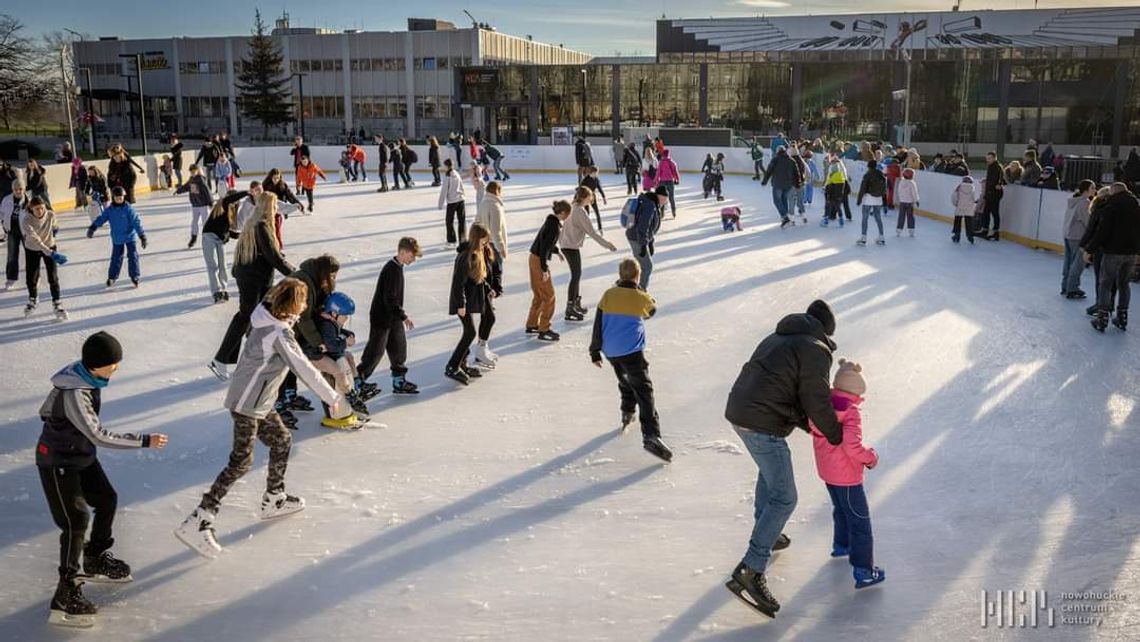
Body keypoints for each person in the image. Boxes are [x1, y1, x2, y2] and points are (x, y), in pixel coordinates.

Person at [176, 278, 354, 559]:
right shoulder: (278, 334)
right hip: (248, 404)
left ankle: (274, 498)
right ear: (293, 304)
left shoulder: (266, 317)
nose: (306, 305)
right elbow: (304, 368)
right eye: (303, 301)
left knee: (282, 440)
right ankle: (199, 519)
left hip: (259, 401)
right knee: (241, 462)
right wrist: (333, 398)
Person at [35, 331, 168, 628]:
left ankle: (94, 558)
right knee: (75, 522)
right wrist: (144, 441)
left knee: (107, 499)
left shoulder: (87, 377)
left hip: (79, 456)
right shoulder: (75, 392)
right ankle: (65, 594)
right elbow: (97, 434)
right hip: (57, 461)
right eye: (113, 364)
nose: (116, 369)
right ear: (97, 365)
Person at [723, 300, 843, 619]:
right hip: (763, 423)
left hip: (740, 412)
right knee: (785, 497)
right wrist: (835, 433)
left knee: (770, 475)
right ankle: (751, 568)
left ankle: (770, 534)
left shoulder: (778, 337)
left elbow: (788, 390)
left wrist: (812, 426)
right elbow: (814, 398)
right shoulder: (816, 349)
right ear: (826, 330)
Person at [808, 359, 885, 589]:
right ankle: (864, 571)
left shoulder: (821, 407)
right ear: (856, 392)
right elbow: (852, 446)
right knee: (860, 522)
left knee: (841, 509)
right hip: (847, 477)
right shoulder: (850, 412)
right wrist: (870, 458)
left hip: (828, 473)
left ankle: (841, 544)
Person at [589, 258, 671, 461]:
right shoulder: (639, 296)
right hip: (631, 352)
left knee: (625, 379)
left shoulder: (608, 294)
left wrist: (594, 350)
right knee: (644, 390)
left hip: (610, 351)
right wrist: (640, 290)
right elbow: (652, 310)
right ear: (638, 275)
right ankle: (651, 435)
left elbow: (598, 323)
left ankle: (627, 411)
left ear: (619, 275)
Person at [209, 193, 296, 383]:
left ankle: (247, 359)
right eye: (275, 206)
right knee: (246, 316)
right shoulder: (262, 226)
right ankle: (221, 359)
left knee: (260, 318)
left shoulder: (254, 222)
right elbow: (273, 257)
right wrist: (296, 275)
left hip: (253, 276)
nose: (276, 209)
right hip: (253, 278)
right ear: (268, 206)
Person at [359, 237, 422, 396]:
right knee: (375, 352)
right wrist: (403, 316)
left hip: (393, 317)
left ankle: (398, 380)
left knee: (399, 349)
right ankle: (358, 381)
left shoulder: (398, 267)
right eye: (412, 256)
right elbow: (390, 298)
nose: (413, 260)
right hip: (382, 317)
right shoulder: (391, 269)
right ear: (403, 252)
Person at [446, 224, 501, 383]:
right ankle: (452, 365)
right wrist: (461, 304)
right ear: (478, 238)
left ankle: (462, 364)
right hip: (461, 301)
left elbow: (479, 278)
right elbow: (458, 283)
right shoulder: (467, 256)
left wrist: (489, 289)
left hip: (468, 299)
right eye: (484, 240)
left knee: (470, 332)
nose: (486, 243)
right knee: (469, 332)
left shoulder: (476, 253)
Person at [1086, 183, 1140, 332]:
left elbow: (1102, 231)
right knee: (1124, 284)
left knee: (1105, 284)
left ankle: (1102, 318)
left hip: (1113, 252)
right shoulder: (1137, 207)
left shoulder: (1111, 207)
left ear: (1114, 193)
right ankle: (1122, 317)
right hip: (1131, 254)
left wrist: (1090, 249)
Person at [562, 186, 618, 322]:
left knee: (577, 274)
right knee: (575, 275)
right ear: (585, 197)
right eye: (591, 196)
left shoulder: (573, 207)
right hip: (570, 246)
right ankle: (570, 308)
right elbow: (592, 233)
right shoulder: (580, 212)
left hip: (567, 244)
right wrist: (607, 245)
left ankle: (575, 303)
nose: (592, 199)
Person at [527, 201, 571, 341]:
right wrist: (544, 268)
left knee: (539, 294)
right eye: (568, 214)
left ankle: (532, 323)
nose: (568, 217)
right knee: (549, 296)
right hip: (539, 260)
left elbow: (545, 242)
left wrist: (557, 251)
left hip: (533, 258)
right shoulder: (554, 227)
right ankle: (544, 328)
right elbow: (545, 247)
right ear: (563, 213)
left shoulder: (550, 222)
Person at [86, 187, 147, 289]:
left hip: (130, 236)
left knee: (133, 256)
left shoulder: (128, 209)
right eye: (117, 198)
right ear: (113, 198)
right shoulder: (109, 210)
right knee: (116, 258)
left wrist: (142, 235)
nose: (119, 199)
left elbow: (136, 222)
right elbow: (101, 219)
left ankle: (134, 276)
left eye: (121, 198)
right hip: (117, 237)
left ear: (124, 197)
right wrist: (93, 227)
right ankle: (112, 277)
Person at [20, 196, 68, 319]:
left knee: (53, 276)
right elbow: (36, 240)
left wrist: (55, 229)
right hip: (33, 248)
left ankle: (57, 302)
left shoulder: (50, 215)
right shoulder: (26, 220)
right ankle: (33, 299)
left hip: (50, 245)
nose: (40, 211)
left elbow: (55, 224)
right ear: (31, 208)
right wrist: (50, 253)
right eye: (37, 209)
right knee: (31, 276)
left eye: (42, 208)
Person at [626, 186, 667, 290]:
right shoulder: (650, 205)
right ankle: (640, 292)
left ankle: (631, 287)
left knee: (641, 266)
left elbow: (650, 227)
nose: (666, 201)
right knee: (647, 267)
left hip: (638, 237)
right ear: (659, 196)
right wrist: (644, 244)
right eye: (665, 198)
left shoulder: (652, 203)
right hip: (636, 238)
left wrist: (650, 242)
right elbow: (643, 226)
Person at [1062, 180, 1095, 299]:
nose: (1094, 190)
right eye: (1092, 188)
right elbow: (1087, 221)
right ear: (1085, 190)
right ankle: (1072, 288)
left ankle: (1065, 286)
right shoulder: (1084, 202)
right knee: (1078, 264)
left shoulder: (1073, 200)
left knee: (1068, 262)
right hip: (1077, 236)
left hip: (1068, 234)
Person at [175, 164, 214, 249]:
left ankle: (208, 239)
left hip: (203, 205)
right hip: (195, 205)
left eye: (194, 171)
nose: (192, 173)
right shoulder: (191, 179)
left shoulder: (200, 179)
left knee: (205, 223)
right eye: (191, 171)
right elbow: (186, 187)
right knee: (194, 222)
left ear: (197, 170)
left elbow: (207, 191)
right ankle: (193, 238)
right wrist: (178, 191)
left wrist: (210, 202)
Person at [762, 146, 801, 228]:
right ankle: (786, 219)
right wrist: (798, 184)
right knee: (784, 200)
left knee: (777, 201)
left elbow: (769, 170)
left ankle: (785, 218)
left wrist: (764, 181)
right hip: (788, 185)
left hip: (778, 184)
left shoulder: (775, 159)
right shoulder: (791, 160)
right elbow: (797, 173)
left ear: (777, 152)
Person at [2, 181, 31, 290]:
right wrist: (4, 225)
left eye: (20, 189)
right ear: (12, 189)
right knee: (12, 256)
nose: (18, 191)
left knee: (31, 255)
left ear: (24, 189)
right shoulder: (6, 200)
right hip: (12, 231)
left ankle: (33, 278)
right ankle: (11, 279)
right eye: (15, 189)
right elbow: (2, 213)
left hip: (26, 232)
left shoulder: (29, 200)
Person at [855, 159, 887, 246]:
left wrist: (859, 200)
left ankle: (863, 238)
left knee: (865, 218)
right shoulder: (881, 175)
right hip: (878, 199)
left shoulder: (867, 175)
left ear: (868, 166)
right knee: (878, 217)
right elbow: (885, 189)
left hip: (868, 198)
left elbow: (863, 188)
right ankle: (881, 236)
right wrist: (885, 202)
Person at [977, 152, 1006, 242]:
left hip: (995, 194)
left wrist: (999, 184)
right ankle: (985, 229)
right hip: (989, 193)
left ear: (994, 158)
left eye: (989, 158)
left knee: (994, 213)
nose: (987, 159)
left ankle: (995, 232)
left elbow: (1001, 179)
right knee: (986, 212)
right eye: (987, 158)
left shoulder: (997, 167)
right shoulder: (991, 166)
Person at [438, 159, 467, 248]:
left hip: (452, 202)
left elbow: (444, 191)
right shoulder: (456, 174)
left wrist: (440, 204)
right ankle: (463, 240)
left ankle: (451, 241)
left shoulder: (448, 176)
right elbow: (462, 186)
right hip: (461, 200)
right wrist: (463, 196)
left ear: (447, 166)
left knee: (449, 221)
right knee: (462, 221)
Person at [579, 166, 608, 231]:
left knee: (597, 213)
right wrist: (578, 198)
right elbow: (581, 188)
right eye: (596, 173)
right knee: (587, 214)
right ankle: (586, 228)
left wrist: (604, 197)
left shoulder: (596, 179)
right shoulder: (586, 179)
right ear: (592, 172)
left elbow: (600, 189)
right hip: (585, 197)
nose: (596, 174)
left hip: (592, 197)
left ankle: (600, 228)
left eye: (597, 173)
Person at [951, 175, 977, 245]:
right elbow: (973, 199)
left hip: (960, 207)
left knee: (957, 220)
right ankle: (970, 236)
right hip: (969, 208)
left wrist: (956, 203)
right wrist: (972, 207)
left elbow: (954, 196)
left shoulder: (959, 187)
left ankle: (957, 234)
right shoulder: (972, 188)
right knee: (969, 222)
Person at [655, 149, 681, 218]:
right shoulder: (671, 162)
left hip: (662, 181)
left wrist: (656, 181)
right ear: (668, 154)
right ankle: (673, 211)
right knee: (671, 197)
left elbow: (658, 173)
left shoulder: (661, 162)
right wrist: (677, 179)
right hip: (670, 181)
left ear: (663, 155)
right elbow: (675, 171)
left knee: (662, 197)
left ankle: (662, 212)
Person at [820, 161, 846, 228]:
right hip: (839, 196)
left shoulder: (832, 177)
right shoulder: (842, 177)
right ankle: (841, 221)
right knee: (838, 208)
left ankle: (825, 221)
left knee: (828, 208)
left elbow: (828, 187)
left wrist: (825, 191)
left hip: (831, 196)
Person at [894, 167, 919, 237]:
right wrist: (916, 200)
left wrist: (900, 198)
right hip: (910, 203)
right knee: (910, 216)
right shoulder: (912, 183)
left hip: (902, 202)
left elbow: (899, 191)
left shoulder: (901, 182)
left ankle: (899, 230)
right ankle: (911, 230)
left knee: (901, 216)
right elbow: (914, 193)